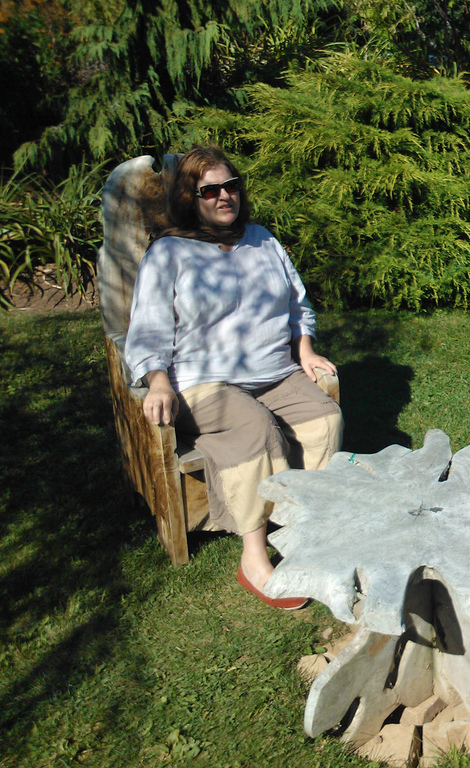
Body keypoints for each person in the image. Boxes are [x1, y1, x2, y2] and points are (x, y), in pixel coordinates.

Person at [125, 147, 343, 609]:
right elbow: (147, 327)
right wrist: (158, 382)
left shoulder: (262, 239)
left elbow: (296, 304)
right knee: (254, 430)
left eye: (231, 186)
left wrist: (304, 348)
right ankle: (254, 556)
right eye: (211, 190)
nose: (225, 196)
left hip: (272, 371)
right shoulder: (169, 253)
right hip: (203, 383)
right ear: (190, 197)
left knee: (324, 418)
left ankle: (303, 529)